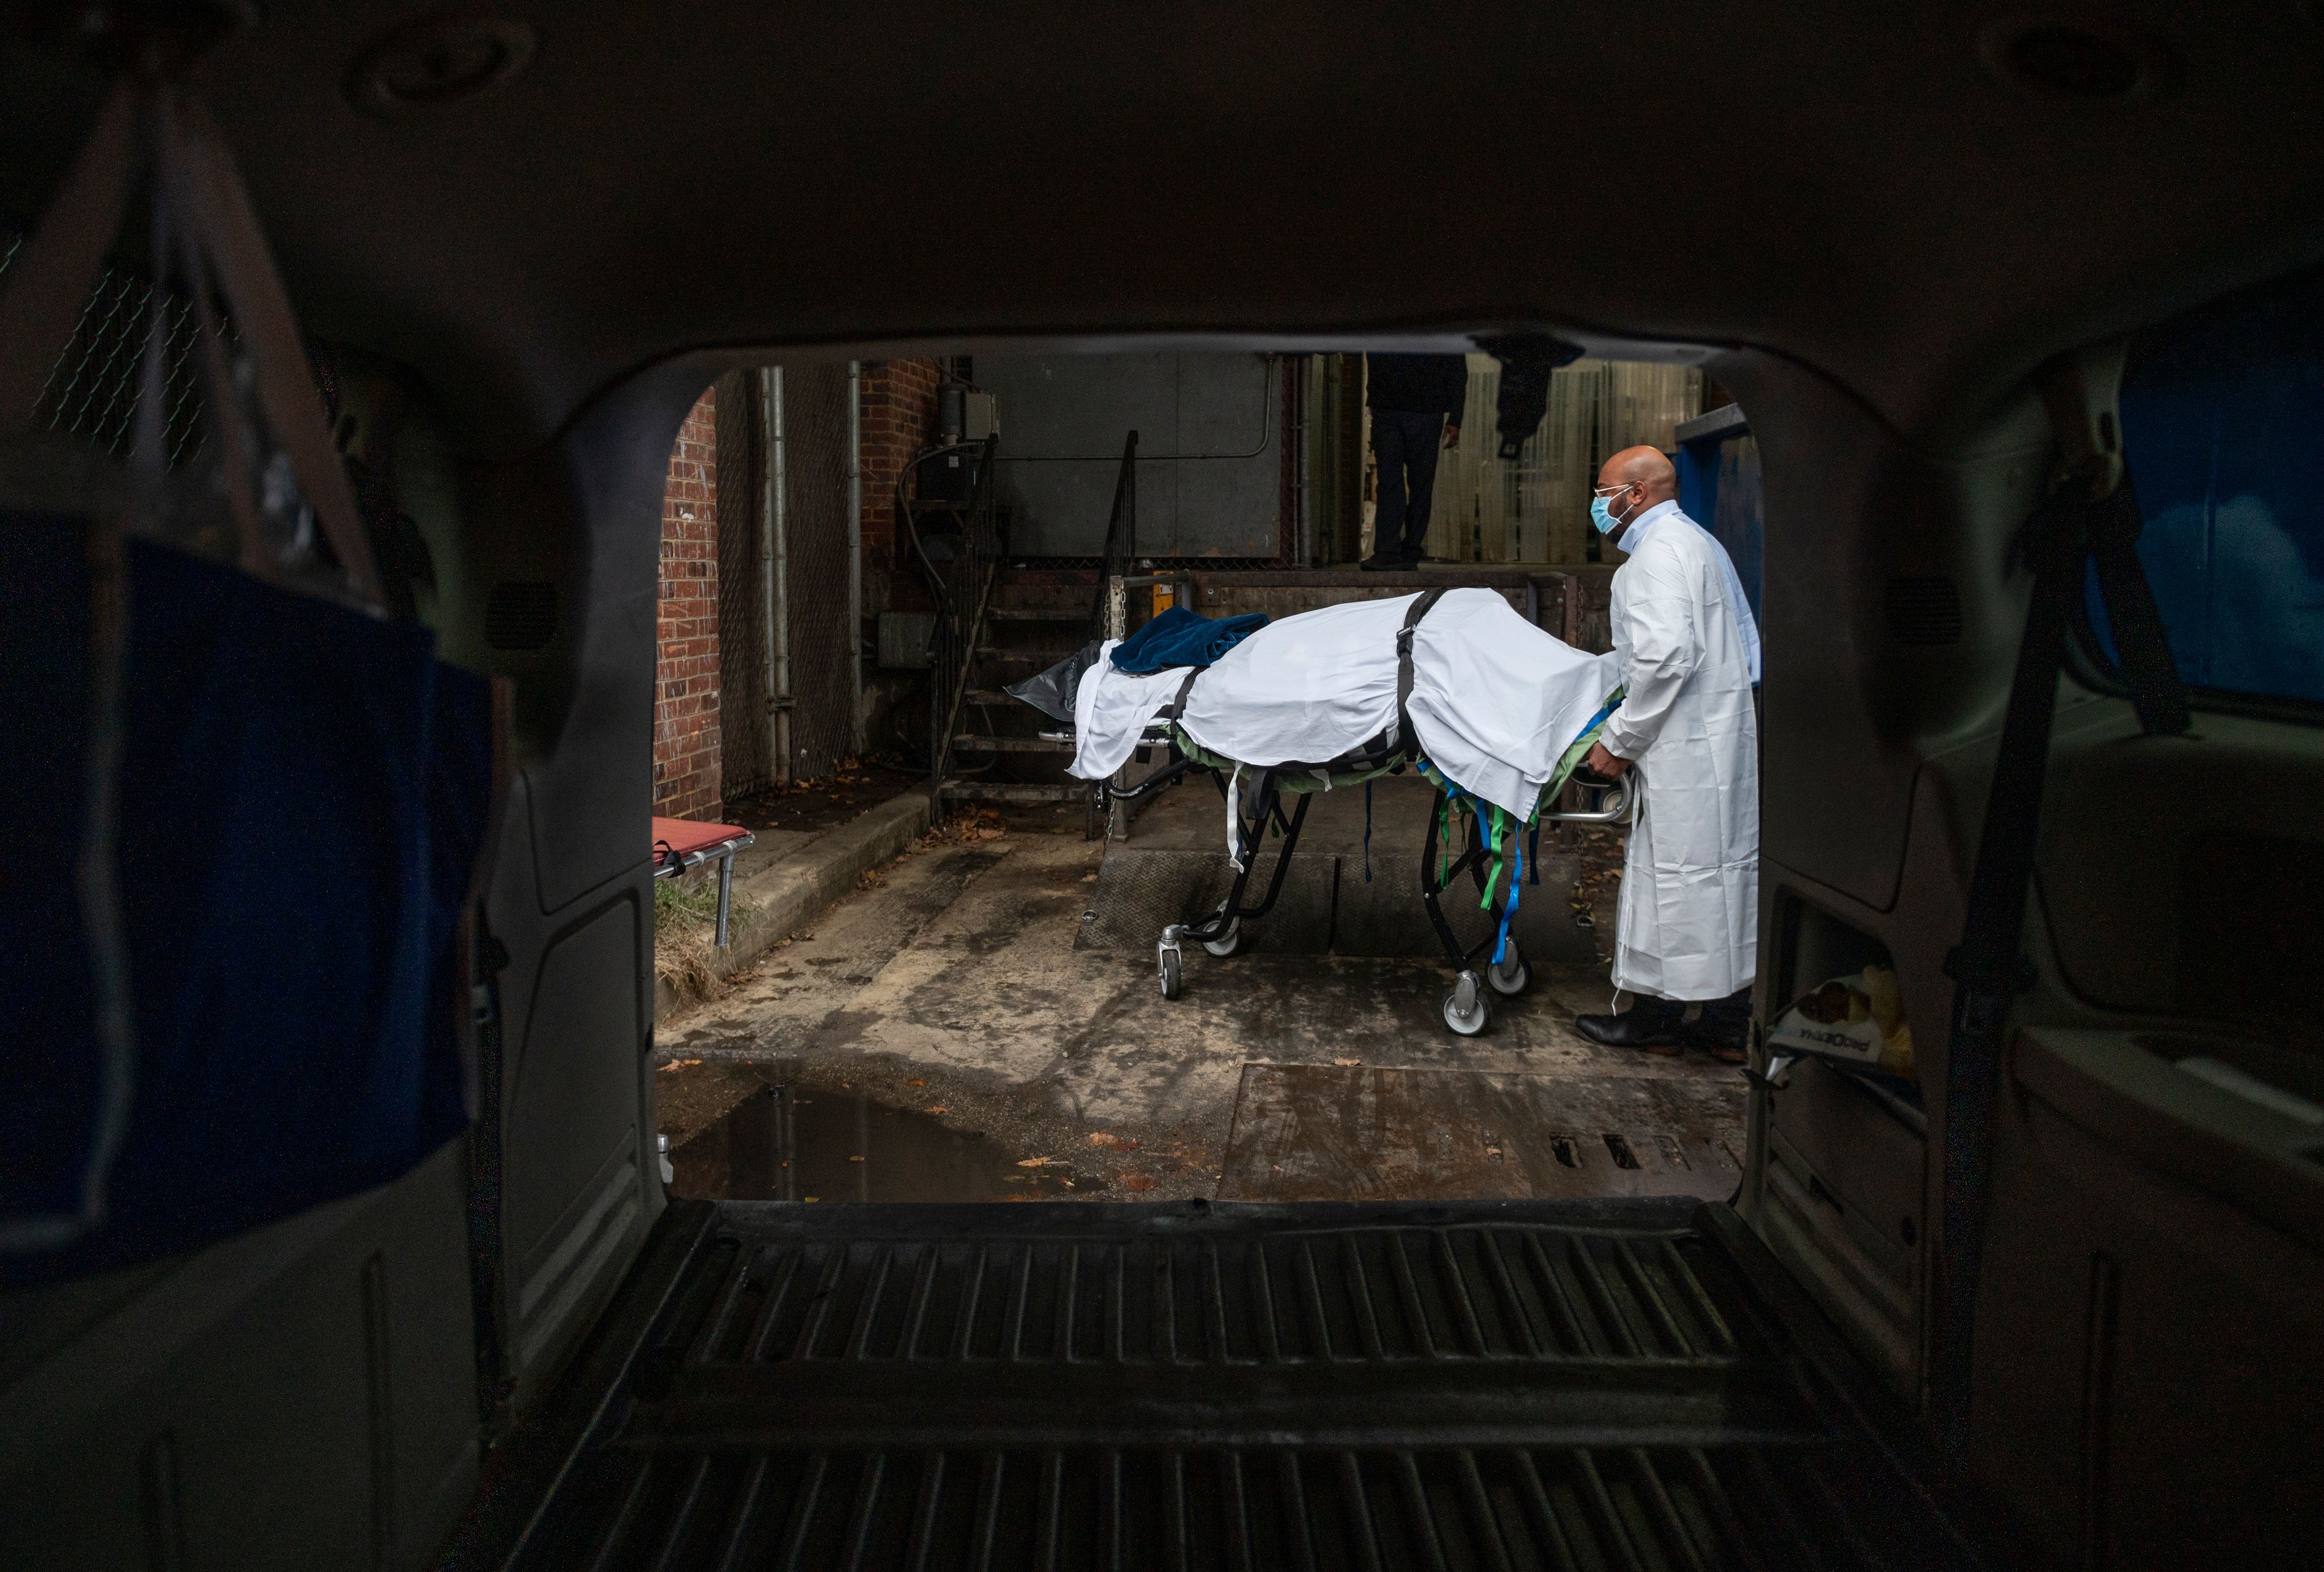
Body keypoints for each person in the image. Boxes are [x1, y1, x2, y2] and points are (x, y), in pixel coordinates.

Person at [1572, 445, 1763, 1061]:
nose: (1597, 506)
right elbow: (1740, 645)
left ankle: (1660, 1016)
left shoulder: (1653, 559)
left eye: (1603, 493)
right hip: (1716, 736)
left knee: (1676, 881)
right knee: (1719, 878)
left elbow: (1662, 660)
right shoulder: (1700, 544)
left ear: (1638, 493)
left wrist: (1618, 742)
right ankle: (1727, 1020)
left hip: (1680, 746)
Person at [1361, 352, 1467, 570]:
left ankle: (1394, 550)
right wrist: (1455, 416)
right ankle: (1402, 549)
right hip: (1418, 408)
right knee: (1414, 483)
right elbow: (1457, 366)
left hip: (1400, 407)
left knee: (1402, 483)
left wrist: (1456, 416)